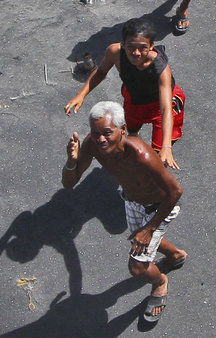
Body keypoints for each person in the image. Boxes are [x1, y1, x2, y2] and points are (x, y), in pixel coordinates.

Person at [62, 101, 186, 322]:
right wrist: (71, 162)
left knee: (137, 268)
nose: (101, 139)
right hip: (132, 202)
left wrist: (149, 229)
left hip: (160, 208)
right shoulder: (92, 144)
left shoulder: (141, 155)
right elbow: (69, 183)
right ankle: (176, 256)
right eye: (95, 133)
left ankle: (160, 282)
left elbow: (175, 191)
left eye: (107, 133)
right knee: (139, 238)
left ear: (123, 130)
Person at [64, 18, 185, 169]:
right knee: (131, 131)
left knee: (159, 157)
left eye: (143, 48)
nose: (136, 53)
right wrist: (81, 94)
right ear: (123, 43)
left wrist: (166, 147)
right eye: (131, 47)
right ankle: (133, 146)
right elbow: (101, 72)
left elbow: (166, 108)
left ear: (152, 46)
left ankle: (150, 176)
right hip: (134, 100)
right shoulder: (114, 52)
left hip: (159, 106)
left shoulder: (161, 69)